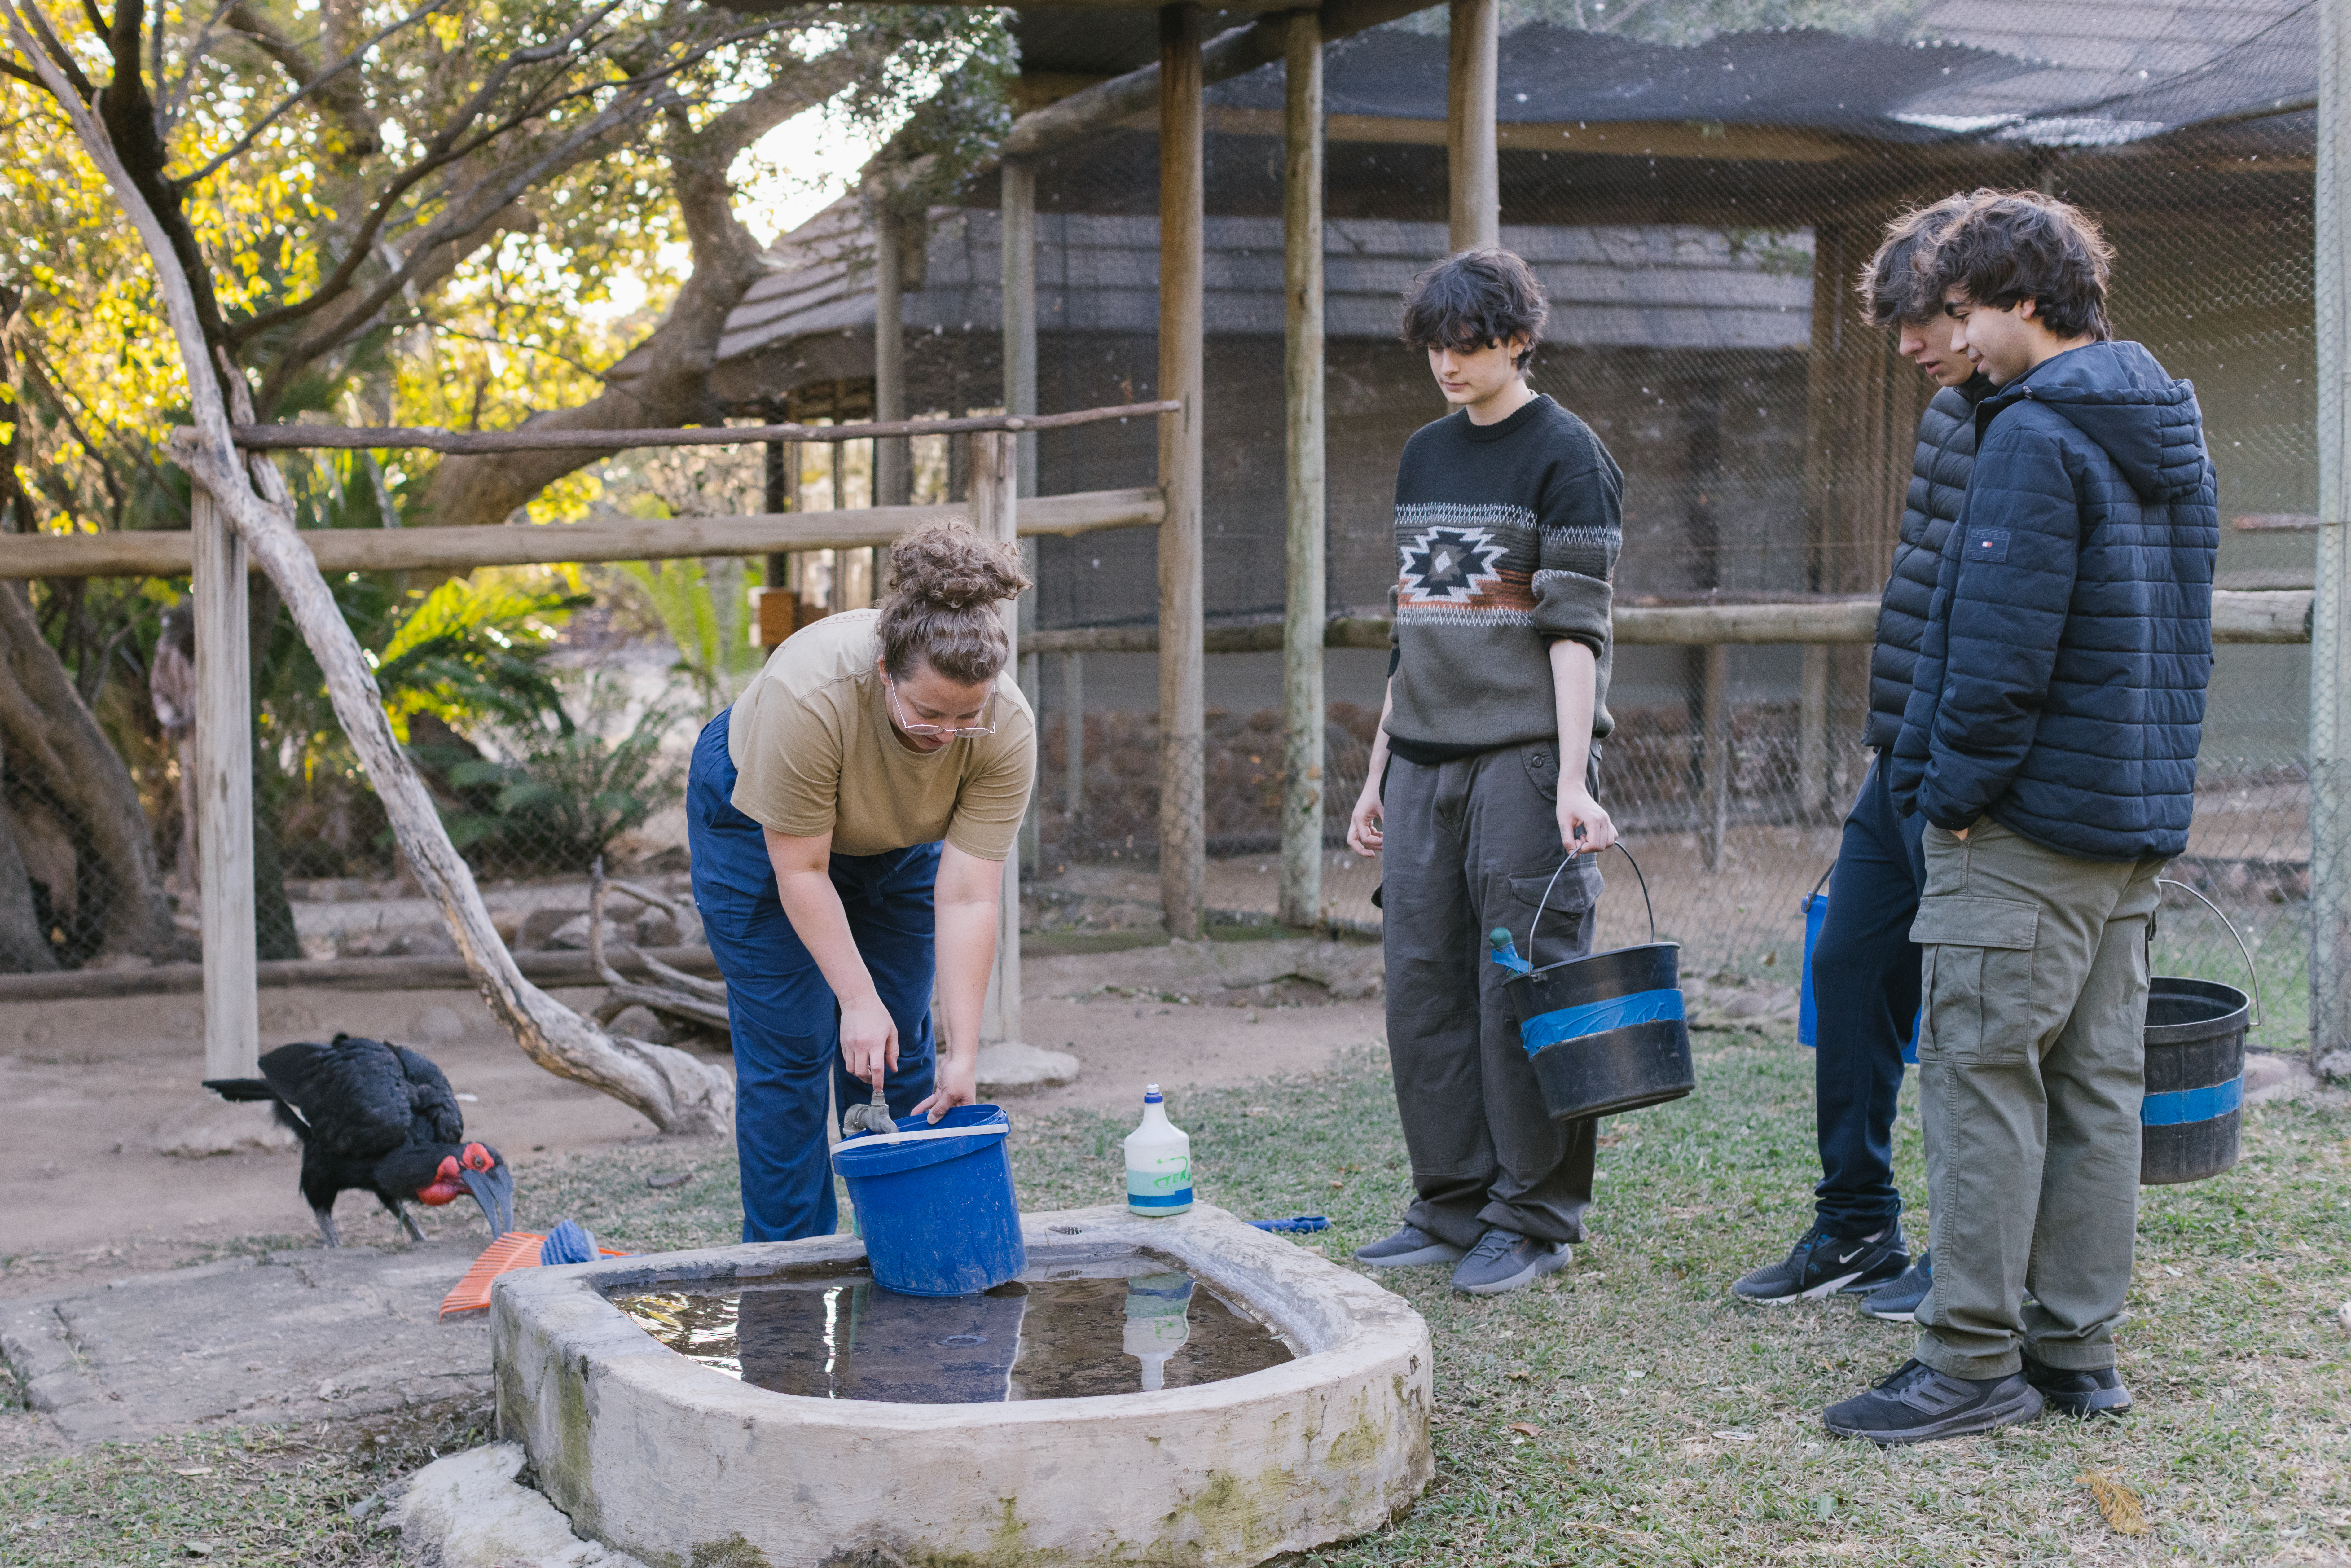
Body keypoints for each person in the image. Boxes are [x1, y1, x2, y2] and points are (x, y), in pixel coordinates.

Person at [1824, 191, 2217, 1444]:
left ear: (2026, 306)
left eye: (1968, 310)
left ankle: (1971, 1361)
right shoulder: (2168, 421)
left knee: (1983, 1079)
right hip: (2131, 823)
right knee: (2097, 1084)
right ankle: (2075, 1349)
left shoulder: (2032, 434)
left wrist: (1949, 800)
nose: (1959, 338)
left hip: (2025, 829)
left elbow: (1996, 655)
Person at [1344, 247, 1624, 1298]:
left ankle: (1532, 1215)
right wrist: (1375, 775)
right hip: (1418, 764)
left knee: (1519, 983)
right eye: (1434, 346)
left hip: (1521, 759)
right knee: (1419, 985)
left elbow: (1572, 632)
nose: (1447, 364)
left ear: (1516, 338)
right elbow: (1410, 630)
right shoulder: (1423, 454)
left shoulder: (1567, 454)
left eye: (1466, 344)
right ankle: (1449, 1201)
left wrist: (1568, 777)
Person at [1731, 195, 1987, 1316]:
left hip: (1980, 779)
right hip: (1902, 756)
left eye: (1923, 317)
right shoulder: (1947, 416)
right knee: (1845, 969)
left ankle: (1972, 1247)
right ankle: (1854, 1225)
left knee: (1975, 1018)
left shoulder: (2040, 417)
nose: (1908, 346)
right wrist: (1897, 746)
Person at [687, 526, 1037, 1242]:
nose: (946, 733)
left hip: (892, 836)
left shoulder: (1007, 728)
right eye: (927, 713)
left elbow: (970, 893)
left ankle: (910, 1252)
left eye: (966, 717)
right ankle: (791, 1269)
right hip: (760, 829)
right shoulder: (808, 692)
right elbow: (802, 869)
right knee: (793, 1046)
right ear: (884, 672)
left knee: (901, 1048)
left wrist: (963, 1053)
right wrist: (853, 997)